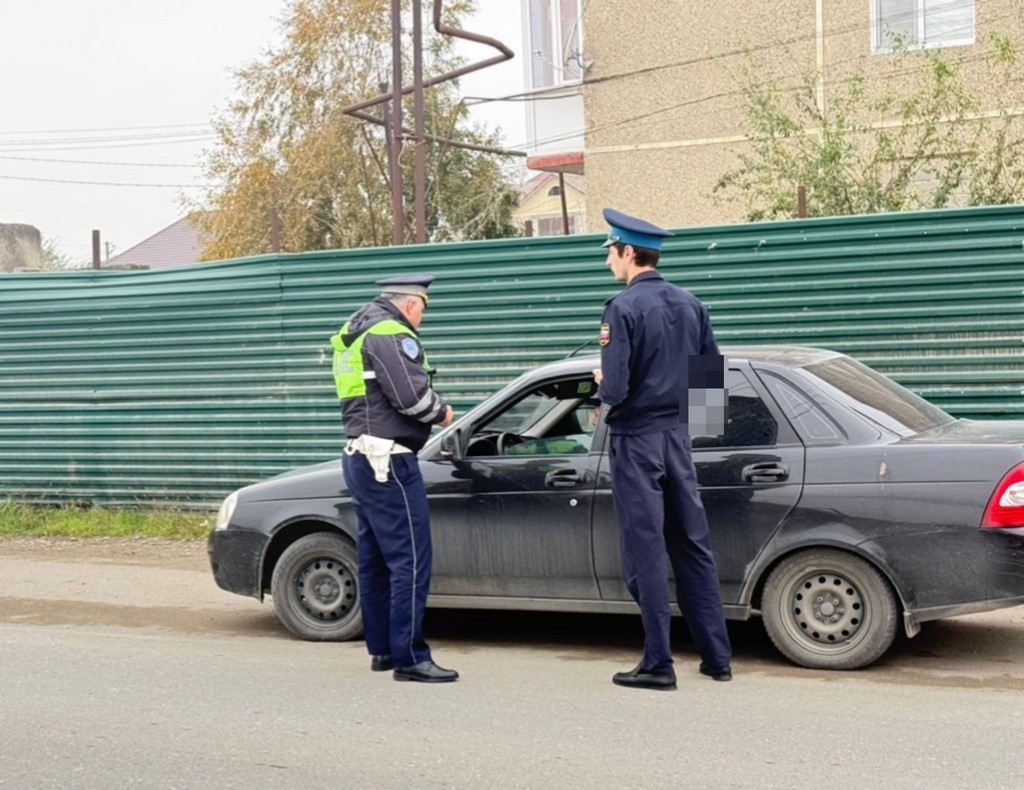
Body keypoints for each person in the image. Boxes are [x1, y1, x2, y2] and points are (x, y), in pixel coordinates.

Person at [593, 208, 733, 691]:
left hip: (637, 442)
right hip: (678, 440)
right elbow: (710, 382)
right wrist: (691, 433)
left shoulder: (622, 309)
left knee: (646, 552)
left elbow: (616, 388)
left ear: (630, 253)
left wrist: (601, 384)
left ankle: (658, 663)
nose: (609, 260)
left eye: (611, 252)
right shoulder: (693, 304)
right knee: (693, 547)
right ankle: (718, 658)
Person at [330, 274, 457, 683]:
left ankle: (383, 649)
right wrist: (442, 413)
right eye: (424, 308)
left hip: (361, 457)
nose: (423, 317)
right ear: (411, 304)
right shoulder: (390, 332)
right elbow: (411, 398)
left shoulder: (354, 333)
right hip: (390, 460)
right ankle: (411, 657)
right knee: (411, 559)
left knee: (375, 559)